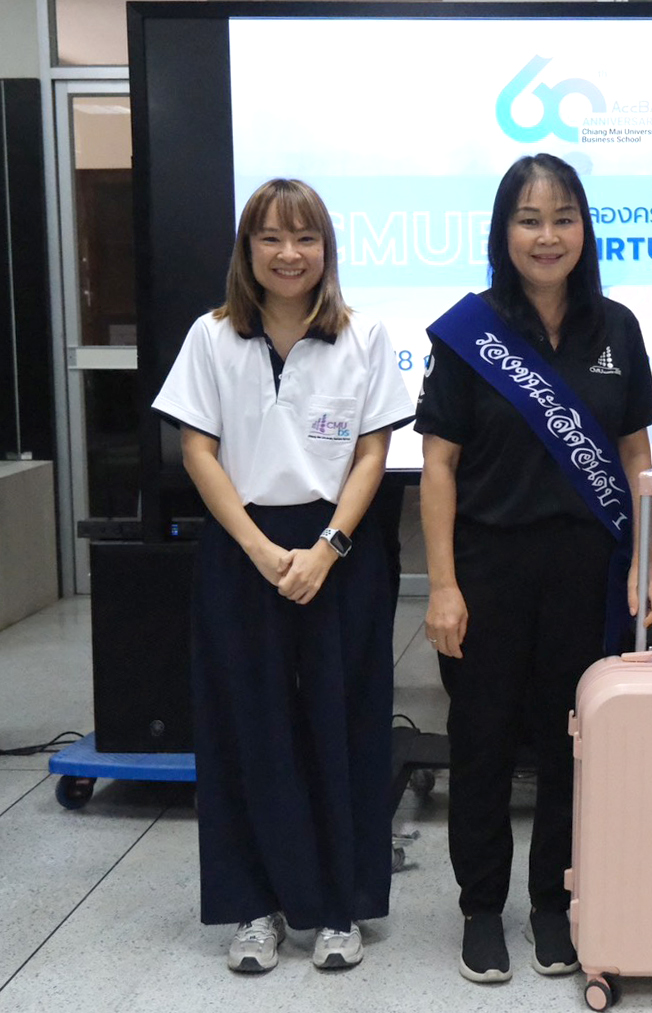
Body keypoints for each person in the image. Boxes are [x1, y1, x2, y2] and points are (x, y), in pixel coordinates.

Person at [151, 178, 414, 975]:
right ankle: (255, 905)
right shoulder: (212, 336)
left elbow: (373, 452)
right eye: (270, 237)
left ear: (327, 248)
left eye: (305, 237)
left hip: (341, 548)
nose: (288, 253)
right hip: (243, 547)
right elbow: (197, 450)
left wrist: (328, 546)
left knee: (344, 722)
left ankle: (339, 907)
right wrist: (261, 549)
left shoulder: (363, 336)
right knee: (246, 726)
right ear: (248, 249)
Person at [416, 153, 652, 983]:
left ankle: (555, 904)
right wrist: (442, 585)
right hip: (487, 565)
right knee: (481, 742)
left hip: (585, 568)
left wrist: (644, 562)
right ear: (504, 232)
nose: (547, 235)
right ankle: (481, 909)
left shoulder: (617, 327)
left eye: (563, 218)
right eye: (529, 219)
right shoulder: (469, 332)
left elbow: (634, 454)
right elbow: (439, 466)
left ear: (584, 229)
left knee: (572, 743)